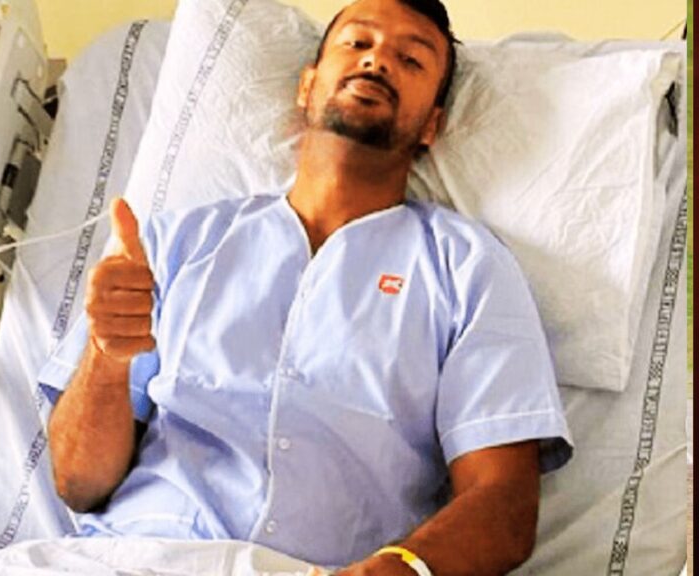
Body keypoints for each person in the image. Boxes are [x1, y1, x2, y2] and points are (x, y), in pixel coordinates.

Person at [39, 0, 573, 574]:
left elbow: (503, 503)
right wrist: (106, 357)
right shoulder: (176, 245)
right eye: (357, 43)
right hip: (128, 557)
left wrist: (397, 569)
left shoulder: (466, 267)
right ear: (307, 86)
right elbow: (77, 483)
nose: (376, 61)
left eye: (411, 60)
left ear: (432, 126)